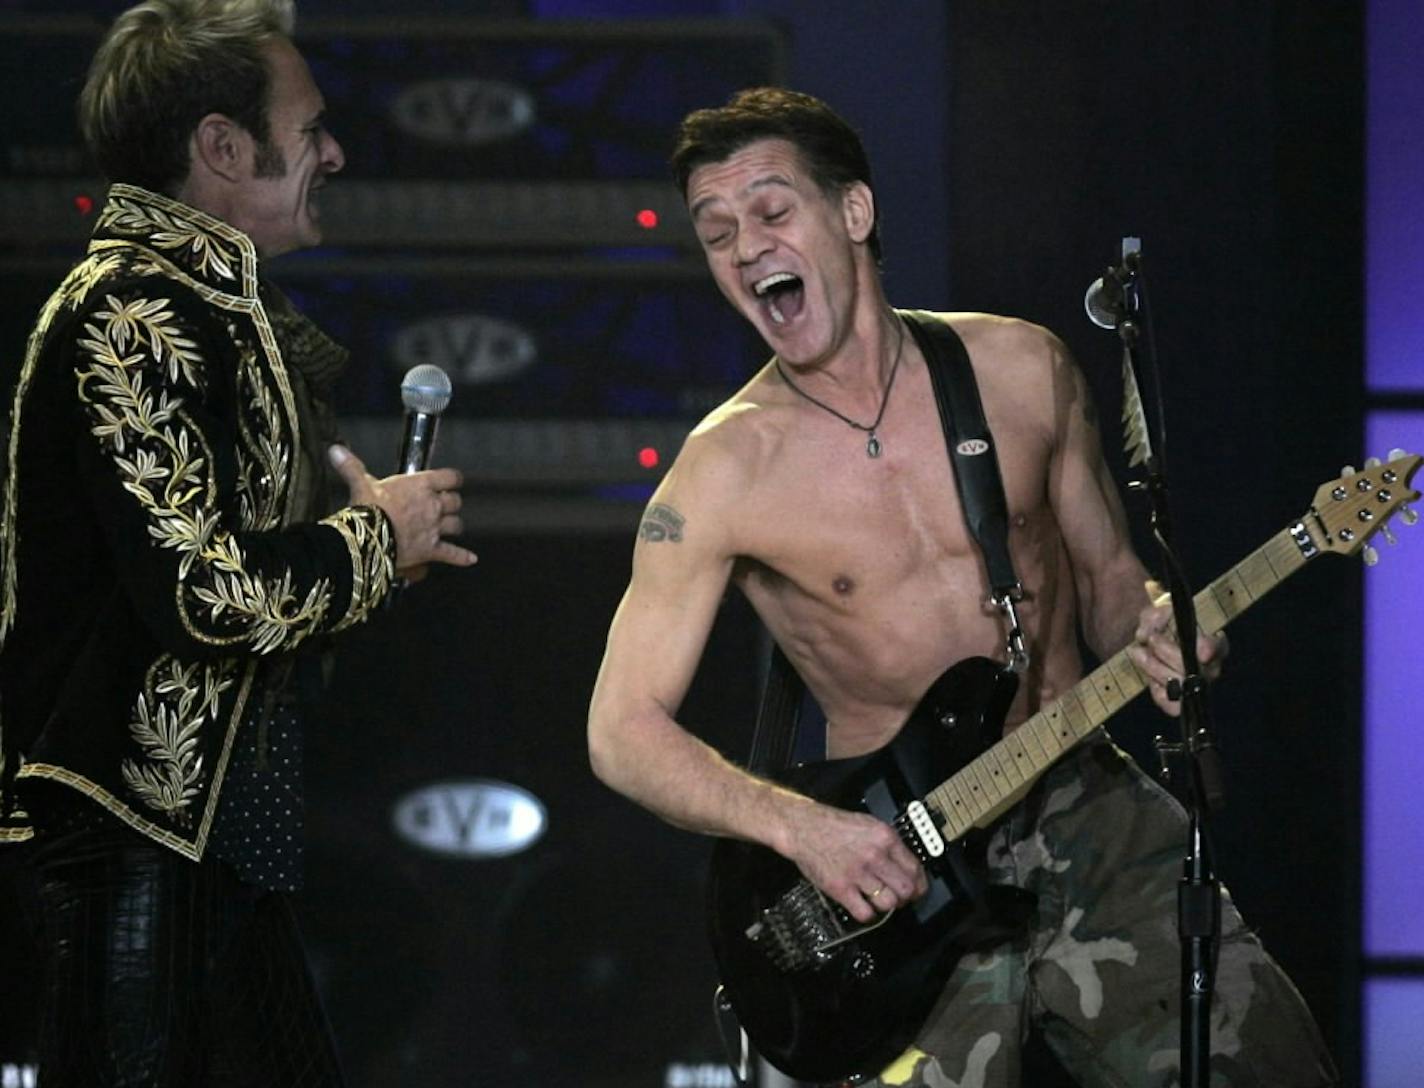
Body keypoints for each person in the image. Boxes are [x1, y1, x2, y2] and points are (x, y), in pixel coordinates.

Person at [586, 87, 1337, 1087]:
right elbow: (620, 729)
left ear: (852, 213)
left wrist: (1159, 629)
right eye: (714, 230)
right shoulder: (720, 473)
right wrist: (804, 828)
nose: (741, 245)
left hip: (1086, 803)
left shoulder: (1022, 368)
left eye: (771, 211)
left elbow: (1114, 584)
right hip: (894, 870)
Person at [0, 1, 476, 1083]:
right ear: (221, 148)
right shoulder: (126, 311)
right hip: (128, 843)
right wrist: (367, 542)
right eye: (310, 130)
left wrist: (371, 553)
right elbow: (207, 594)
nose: (335, 153)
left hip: (211, 847)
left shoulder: (210, 310)